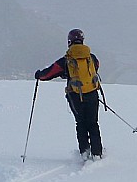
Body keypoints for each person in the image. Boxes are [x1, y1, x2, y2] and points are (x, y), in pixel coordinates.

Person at [35, 28, 103, 159]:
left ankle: (84, 152)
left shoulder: (66, 60)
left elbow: (48, 74)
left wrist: (39, 75)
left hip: (75, 96)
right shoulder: (91, 57)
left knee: (81, 123)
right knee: (93, 123)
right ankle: (97, 153)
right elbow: (97, 67)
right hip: (92, 93)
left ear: (69, 41)